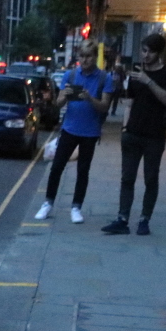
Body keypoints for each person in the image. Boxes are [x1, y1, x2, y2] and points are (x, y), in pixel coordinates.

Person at [102, 33, 166, 236]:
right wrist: (124, 128)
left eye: (149, 52)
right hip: (133, 134)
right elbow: (129, 103)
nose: (145, 56)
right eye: (143, 51)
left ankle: (144, 219)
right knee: (127, 178)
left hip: (154, 136)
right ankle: (122, 219)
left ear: (158, 52)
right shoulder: (136, 74)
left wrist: (149, 82)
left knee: (150, 178)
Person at [35, 39, 113, 224]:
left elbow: (104, 107)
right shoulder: (69, 76)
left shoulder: (104, 78)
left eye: (89, 56)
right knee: (56, 167)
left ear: (95, 57)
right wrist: (66, 96)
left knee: (82, 171)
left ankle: (76, 207)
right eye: (82, 56)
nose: (85, 60)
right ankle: (48, 203)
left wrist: (89, 98)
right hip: (69, 129)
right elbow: (58, 103)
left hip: (90, 132)